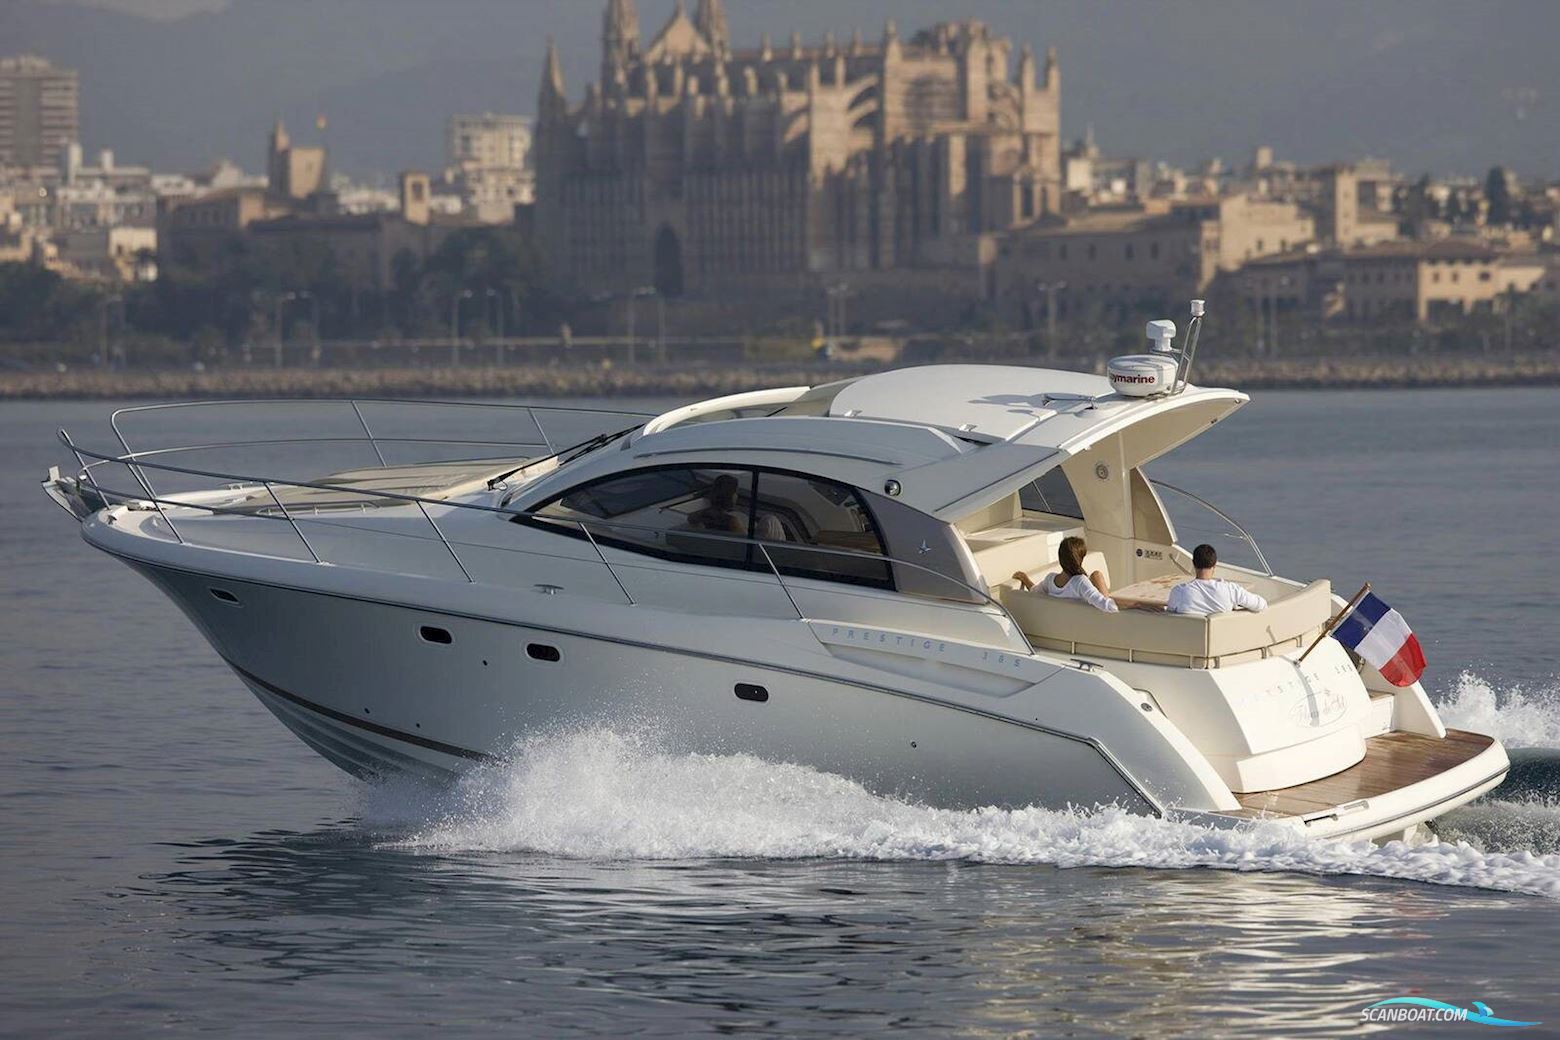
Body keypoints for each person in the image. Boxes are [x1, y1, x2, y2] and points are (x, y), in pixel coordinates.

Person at [1012, 536, 1119, 613]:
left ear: (1060, 559)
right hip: (1092, 621)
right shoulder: (1080, 582)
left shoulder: (1050, 580)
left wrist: (1025, 579)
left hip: (1064, 625)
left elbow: (1035, 591)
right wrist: (1134, 604)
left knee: (1095, 576)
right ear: (1080, 559)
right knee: (1096, 575)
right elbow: (1107, 606)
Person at [1166, 543, 1268, 615]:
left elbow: (1169, 614)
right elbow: (1261, 605)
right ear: (1215, 564)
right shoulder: (1230, 590)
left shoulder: (1179, 592)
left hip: (1187, 643)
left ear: (1193, 563)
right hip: (1224, 643)